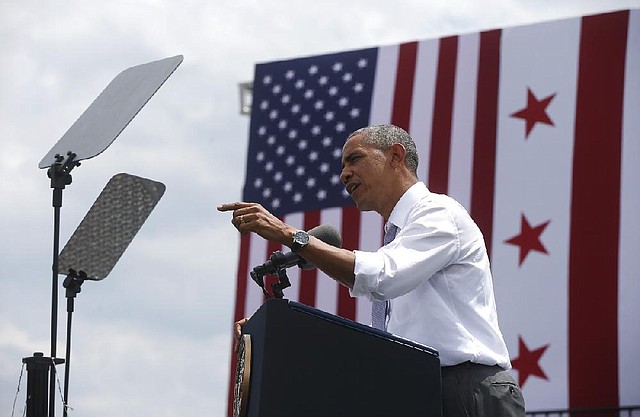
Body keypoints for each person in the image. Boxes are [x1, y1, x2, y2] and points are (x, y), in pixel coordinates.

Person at [218, 124, 525, 417]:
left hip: (466, 392)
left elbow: (381, 277)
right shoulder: (400, 236)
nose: (344, 174)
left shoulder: (438, 212)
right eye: (342, 166)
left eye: (355, 159)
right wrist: (278, 331)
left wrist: (290, 235)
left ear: (395, 156)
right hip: (419, 394)